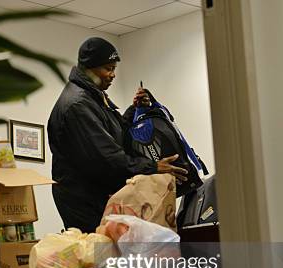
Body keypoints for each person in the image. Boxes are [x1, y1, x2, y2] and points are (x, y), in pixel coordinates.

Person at [47, 37, 188, 233]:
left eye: (114, 69)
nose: (112, 75)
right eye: (108, 69)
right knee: (101, 255)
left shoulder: (92, 96)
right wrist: (153, 167)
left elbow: (113, 132)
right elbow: (106, 157)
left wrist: (133, 110)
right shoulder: (78, 105)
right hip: (85, 200)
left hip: (95, 195)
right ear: (89, 68)